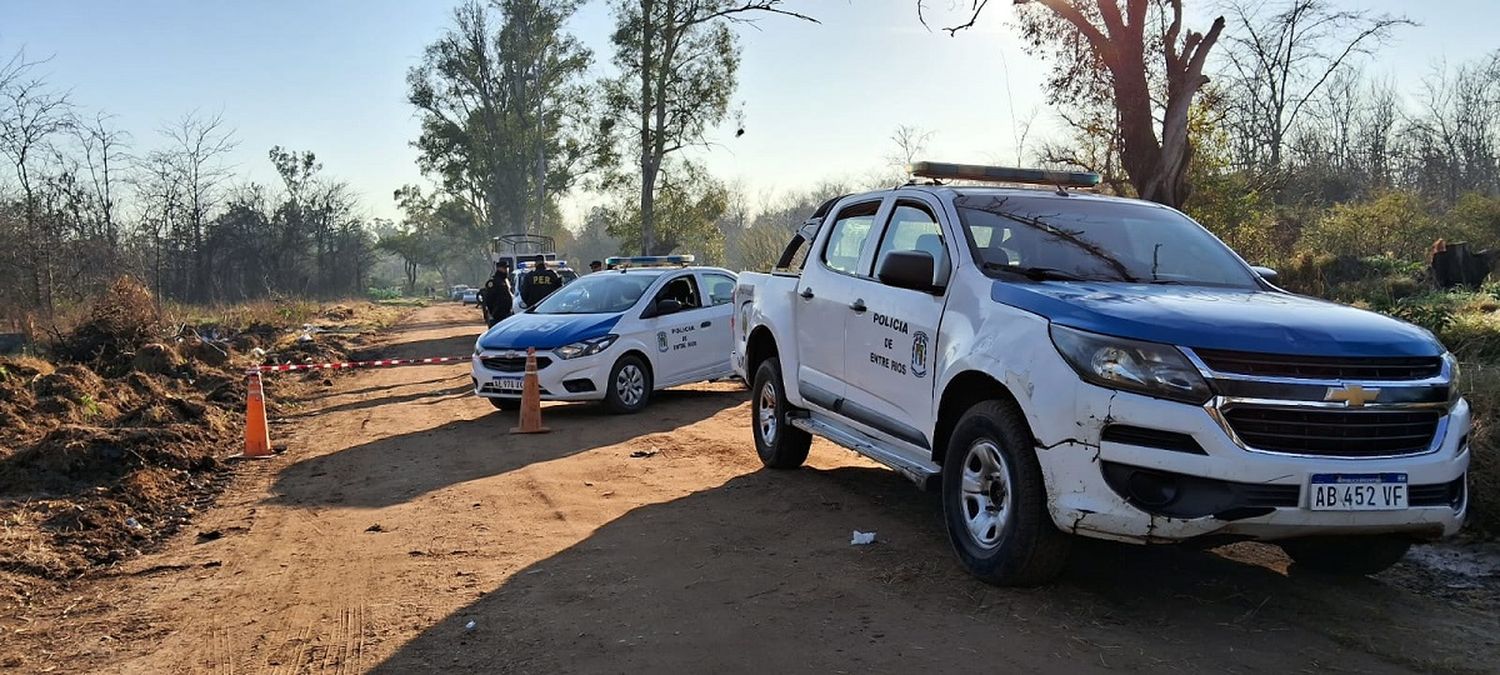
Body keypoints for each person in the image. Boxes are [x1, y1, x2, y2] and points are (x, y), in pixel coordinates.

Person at [480, 261, 513, 327]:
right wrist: (494, 312)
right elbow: (489, 300)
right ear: (499, 269)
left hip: (506, 314)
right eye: (505, 268)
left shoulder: (505, 281)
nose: (506, 270)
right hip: (497, 316)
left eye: (507, 268)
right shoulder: (493, 282)